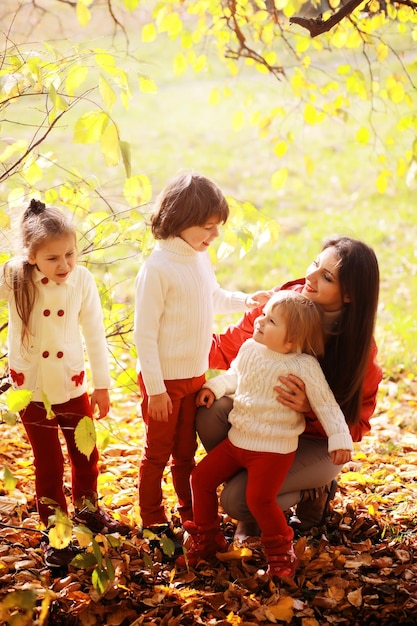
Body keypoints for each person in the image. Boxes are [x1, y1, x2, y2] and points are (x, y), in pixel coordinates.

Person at [196, 235, 382, 540]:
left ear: (348, 295)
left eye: (326, 276)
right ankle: (256, 507)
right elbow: (235, 347)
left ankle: (311, 491)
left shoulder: (358, 350)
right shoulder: (286, 302)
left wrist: (309, 409)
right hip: (262, 427)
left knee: (234, 500)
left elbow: (356, 426)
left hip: (314, 443)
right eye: (315, 264)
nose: (309, 277)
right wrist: (174, 349)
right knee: (210, 411)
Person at [133, 172, 271, 549]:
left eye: (216, 228)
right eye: (207, 227)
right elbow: (143, 335)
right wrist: (157, 391)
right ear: (179, 220)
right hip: (162, 383)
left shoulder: (198, 258)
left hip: (194, 377)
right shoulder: (157, 268)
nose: (213, 236)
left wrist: (246, 300)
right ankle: (152, 518)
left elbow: (212, 297)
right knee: (157, 453)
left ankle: (190, 513)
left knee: (184, 453)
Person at [176, 291, 353, 578]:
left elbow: (326, 405)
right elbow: (236, 375)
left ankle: (282, 552)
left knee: (259, 499)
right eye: (263, 314)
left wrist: (340, 440)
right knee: (200, 478)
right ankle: (208, 538)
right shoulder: (249, 348)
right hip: (238, 440)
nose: (259, 321)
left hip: (273, 451)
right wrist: (215, 387)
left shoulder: (303, 366)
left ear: (291, 340)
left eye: (270, 321)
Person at [0, 199, 130, 569]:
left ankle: (88, 510)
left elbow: (94, 334)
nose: (64, 265)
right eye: (53, 258)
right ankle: (56, 537)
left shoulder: (82, 280)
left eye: (70, 254)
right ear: (31, 256)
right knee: (49, 463)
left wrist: (102, 386)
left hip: (73, 385)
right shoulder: (14, 277)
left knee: (85, 454)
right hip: (33, 390)